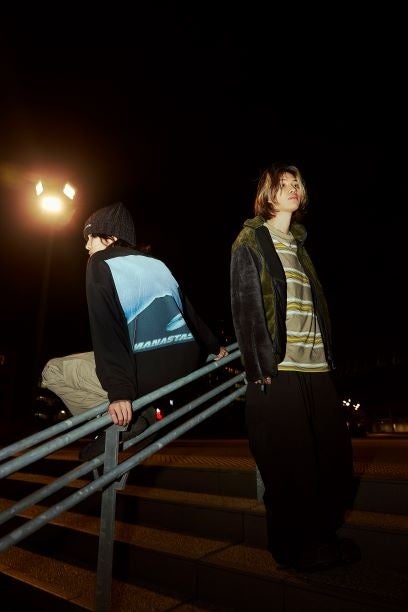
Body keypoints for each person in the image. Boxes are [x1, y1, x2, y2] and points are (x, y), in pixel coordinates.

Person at [230, 162, 360, 572]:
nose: (292, 189)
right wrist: (258, 365)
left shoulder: (299, 246)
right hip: (280, 368)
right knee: (290, 463)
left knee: (333, 459)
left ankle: (323, 535)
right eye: (283, 184)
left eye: (296, 184)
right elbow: (246, 306)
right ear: (267, 194)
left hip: (317, 366)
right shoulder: (251, 239)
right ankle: (294, 548)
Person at [43, 201, 228, 459]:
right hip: (183, 368)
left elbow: (107, 331)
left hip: (142, 373)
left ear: (110, 237)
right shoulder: (157, 264)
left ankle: (120, 424)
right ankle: (137, 413)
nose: (87, 246)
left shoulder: (100, 263)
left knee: (53, 371)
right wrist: (214, 346)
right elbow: (188, 311)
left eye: (91, 237)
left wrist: (120, 393)